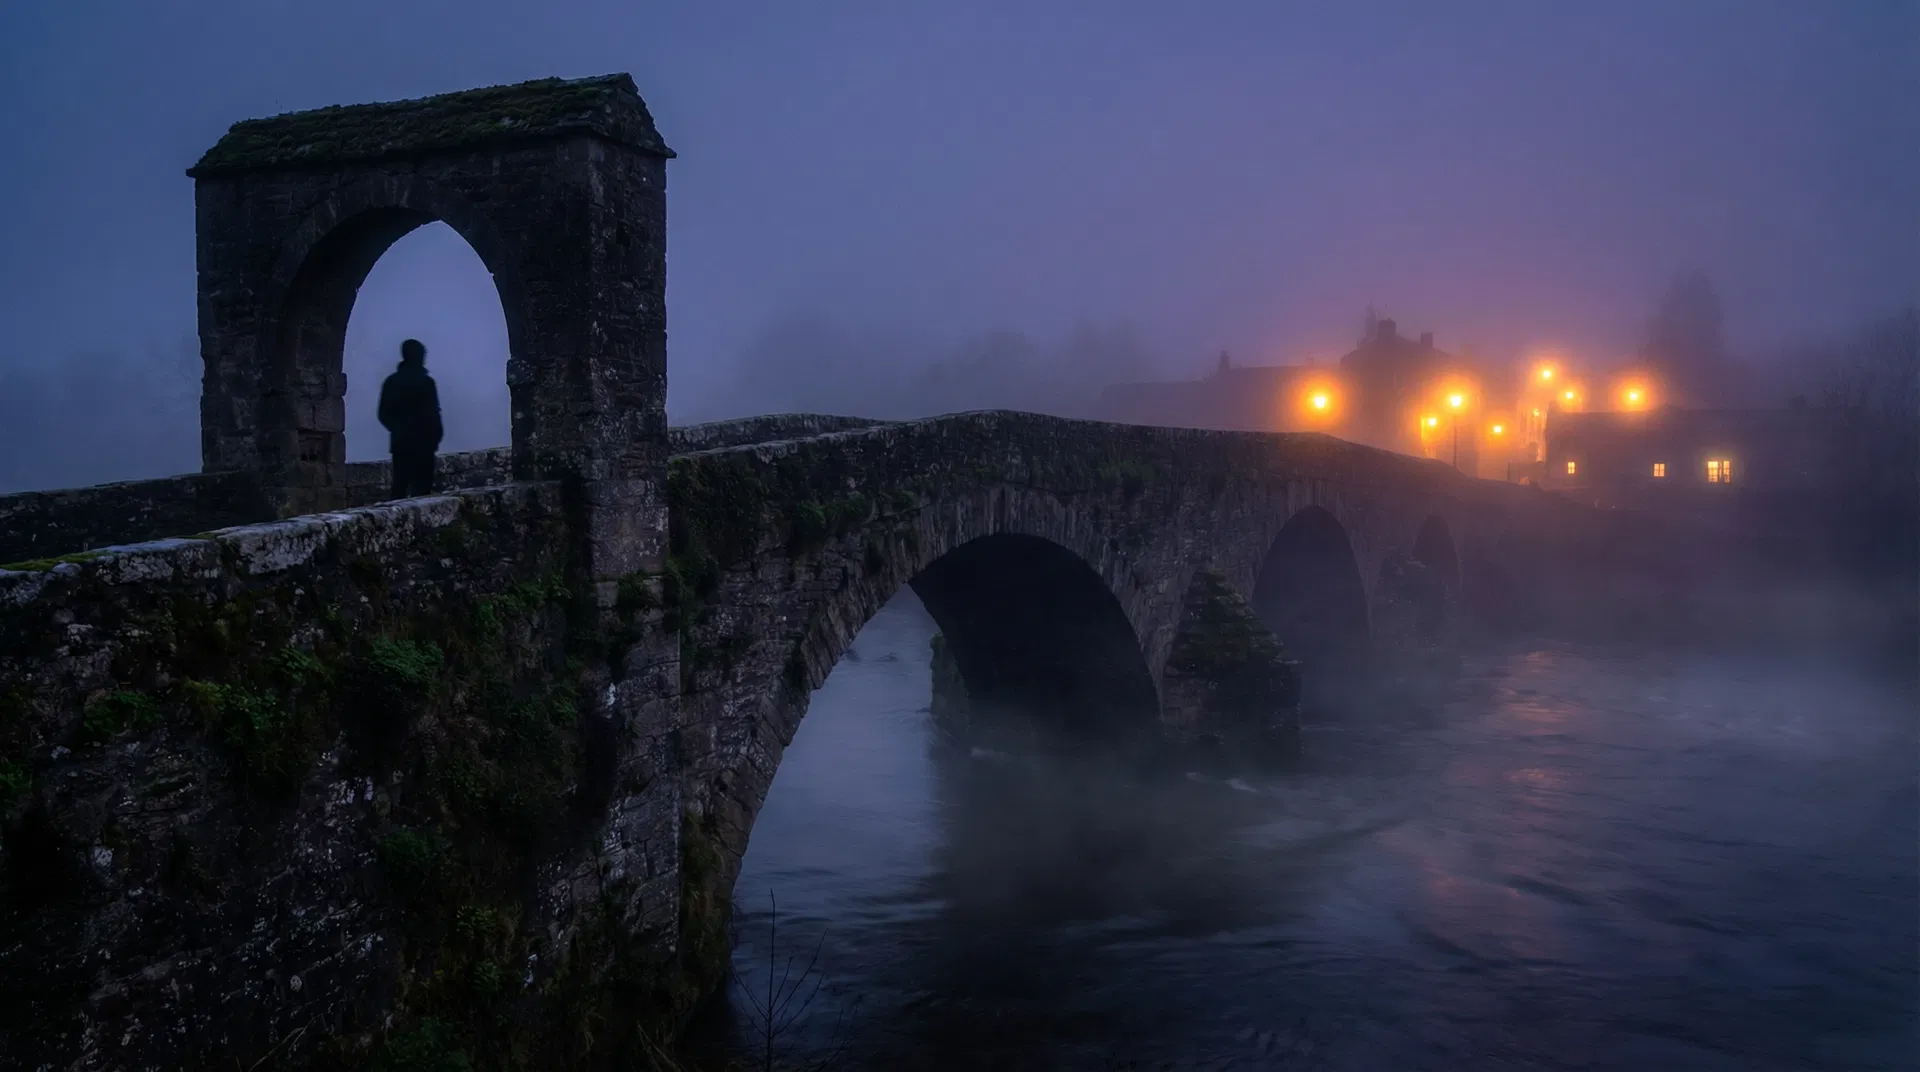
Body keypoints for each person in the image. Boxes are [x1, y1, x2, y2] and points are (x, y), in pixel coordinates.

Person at [377, 338, 444, 499]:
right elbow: (433, 414)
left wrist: (399, 430)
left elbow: (383, 414)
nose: (424, 356)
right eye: (422, 353)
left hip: (402, 445)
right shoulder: (427, 383)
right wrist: (435, 436)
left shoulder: (392, 382)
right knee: (422, 489)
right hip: (424, 445)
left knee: (400, 487)